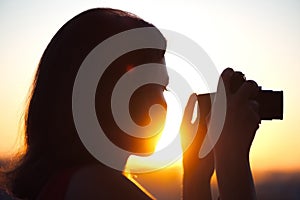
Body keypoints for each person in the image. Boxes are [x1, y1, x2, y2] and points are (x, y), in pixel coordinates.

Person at [0, 8, 260, 200]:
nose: (164, 104)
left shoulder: (72, 182)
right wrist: (232, 162)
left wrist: (195, 178)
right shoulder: (97, 186)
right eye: (159, 88)